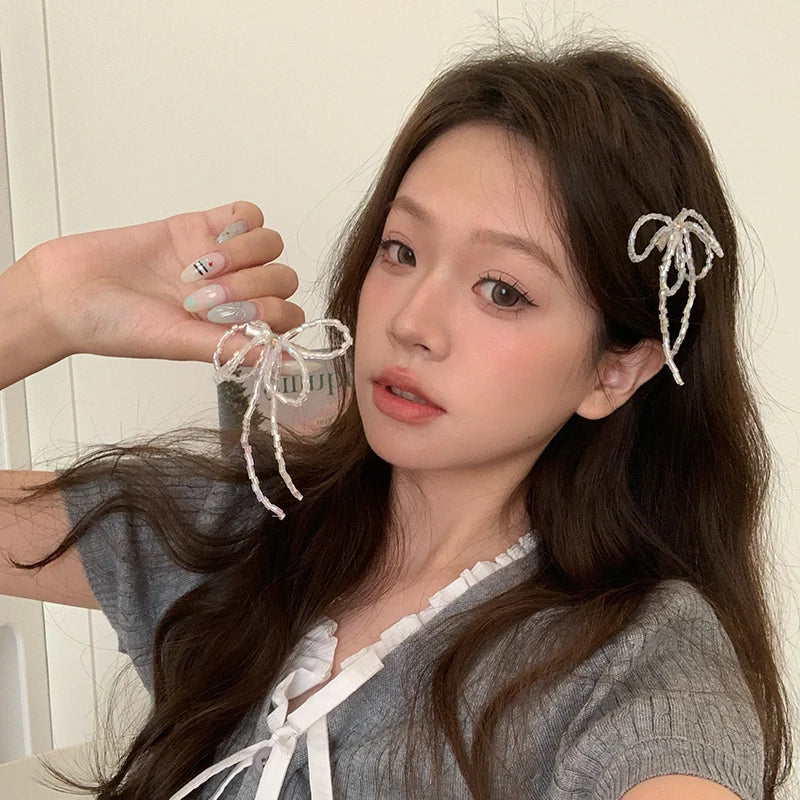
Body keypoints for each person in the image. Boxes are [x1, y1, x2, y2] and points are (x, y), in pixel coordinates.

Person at [0, 40, 792, 800]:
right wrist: (42, 303)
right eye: (402, 251)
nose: (412, 322)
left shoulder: (637, 664)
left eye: (503, 290)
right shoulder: (248, 532)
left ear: (615, 371)